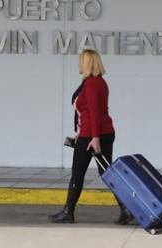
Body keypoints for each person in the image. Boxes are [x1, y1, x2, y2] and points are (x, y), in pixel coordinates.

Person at [48, 49, 133, 225]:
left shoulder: (92, 83)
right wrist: (81, 132)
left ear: (87, 64)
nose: (78, 65)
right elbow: (88, 112)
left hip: (93, 135)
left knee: (78, 173)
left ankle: (68, 212)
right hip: (98, 132)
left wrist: (94, 137)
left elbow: (94, 112)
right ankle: (126, 209)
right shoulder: (98, 82)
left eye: (81, 62)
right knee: (106, 173)